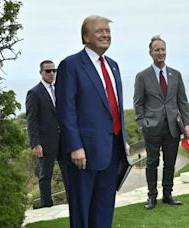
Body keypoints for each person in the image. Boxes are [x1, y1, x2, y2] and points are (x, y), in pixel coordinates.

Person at [55, 15, 131, 228]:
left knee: (104, 207)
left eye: (108, 31)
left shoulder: (113, 66)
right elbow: (65, 110)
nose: (106, 35)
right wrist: (75, 146)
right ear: (85, 36)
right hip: (84, 154)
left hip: (112, 151)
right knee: (82, 211)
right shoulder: (71, 65)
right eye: (100, 31)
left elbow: (115, 108)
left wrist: (122, 138)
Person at [133, 35, 189, 209]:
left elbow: (183, 101)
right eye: (157, 50)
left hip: (173, 128)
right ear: (150, 52)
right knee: (152, 162)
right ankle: (151, 196)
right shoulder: (142, 76)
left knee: (170, 163)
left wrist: (187, 125)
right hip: (152, 128)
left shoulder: (176, 75)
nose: (160, 53)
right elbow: (138, 103)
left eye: (163, 49)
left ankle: (168, 194)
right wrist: (143, 123)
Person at [26, 60, 69, 208]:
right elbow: (31, 121)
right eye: (48, 71)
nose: (51, 73)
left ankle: (73, 201)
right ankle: (46, 206)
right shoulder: (34, 93)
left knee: (68, 173)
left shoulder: (60, 90)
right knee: (45, 176)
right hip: (45, 143)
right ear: (41, 73)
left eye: (54, 70)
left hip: (64, 141)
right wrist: (35, 144)